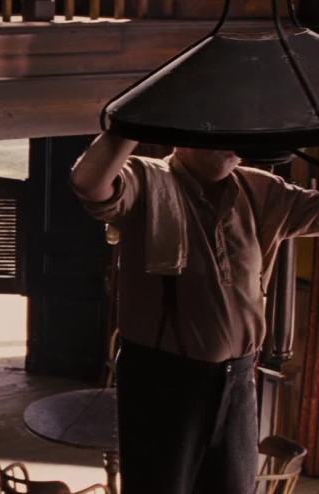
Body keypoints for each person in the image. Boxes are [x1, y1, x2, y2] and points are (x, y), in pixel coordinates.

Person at [70, 132, 319, 494]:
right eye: (216, 129)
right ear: (184, 133)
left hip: (238, 379)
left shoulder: (260, 189)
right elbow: (89, 183)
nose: (232, 143)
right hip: (163, 380)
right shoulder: (146, 178)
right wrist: (130, 122)